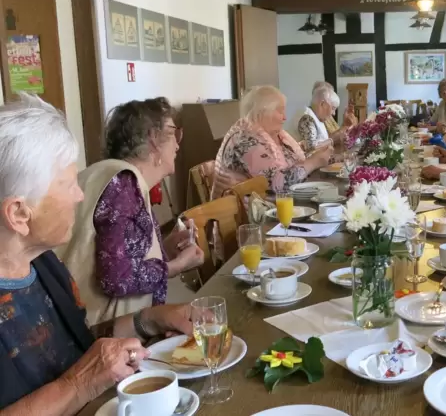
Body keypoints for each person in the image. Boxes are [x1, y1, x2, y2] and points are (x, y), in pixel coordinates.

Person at [0, 94, 193, 413]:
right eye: (66, 184)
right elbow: (81, 371)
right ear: (19, 213)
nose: (79, 195)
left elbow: (80, 342)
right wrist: (79, 383)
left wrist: (151, 320)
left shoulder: (43, 264)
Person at [57, 98, 204, 325]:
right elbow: (117, 278)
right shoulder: (123, 183)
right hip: (104, 335)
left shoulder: (115, 177)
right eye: (174, 132)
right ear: (154, 138)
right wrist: (175, 267)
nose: (177, 144)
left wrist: (164, 247)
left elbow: (119, 254)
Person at [212, 85, 333, 197]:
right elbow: (279, 185)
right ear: (263, 112)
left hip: (281, 204)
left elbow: (292, 163)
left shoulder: (275, 135)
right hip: (252, 214)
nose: (285, 117)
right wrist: (314, 161)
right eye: (280, 111)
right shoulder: (245, 141)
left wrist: (317, 155)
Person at [297, 85, 355, 152]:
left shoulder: (317, 117)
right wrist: (333, 140)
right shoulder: (307, 119)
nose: (334, 113)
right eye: (333, 108)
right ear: (322, 104)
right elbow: (312, 151)